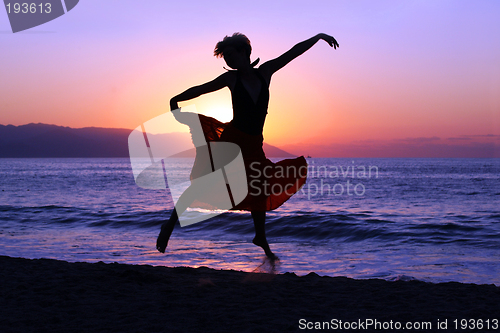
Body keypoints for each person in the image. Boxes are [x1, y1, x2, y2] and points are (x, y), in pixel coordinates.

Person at [156, 33, 339, 259]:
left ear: (244, 52)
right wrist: (176, 99)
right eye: (225, 57)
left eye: (231, 55)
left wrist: (319, 37)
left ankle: (260, 237)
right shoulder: (231, 79)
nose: (229, 61)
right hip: (232, 141)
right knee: (203, 183)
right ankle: (170, 225)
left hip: (253, 143)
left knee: (260, 188)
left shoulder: (265, 72)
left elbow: (293, 53)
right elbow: (201, 89)